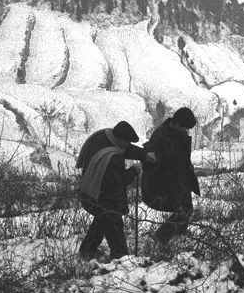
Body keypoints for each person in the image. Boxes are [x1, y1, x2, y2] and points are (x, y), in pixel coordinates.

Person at [76, 121, 155, 260]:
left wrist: (144, 154)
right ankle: (121, 258)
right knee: (113, 222)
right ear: (120, 140)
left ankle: (87, 251)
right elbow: (117, 183)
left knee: (102, 221)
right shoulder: (112, 157)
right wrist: (133, 171)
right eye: (126, 142)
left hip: (89, 192)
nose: (127, 146)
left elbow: (127, 149)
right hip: (101, 198)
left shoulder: (104, 137)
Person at [142, 107, 200, 244]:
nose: (186, 130)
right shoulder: (160, 137)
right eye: (184, 127)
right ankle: (160, 239)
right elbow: (151, 166)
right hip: (164, 184)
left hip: (179, 181)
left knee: (186, 209)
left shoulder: (177, 133)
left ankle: (178, 237)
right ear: (176, 123)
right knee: (183, 210)